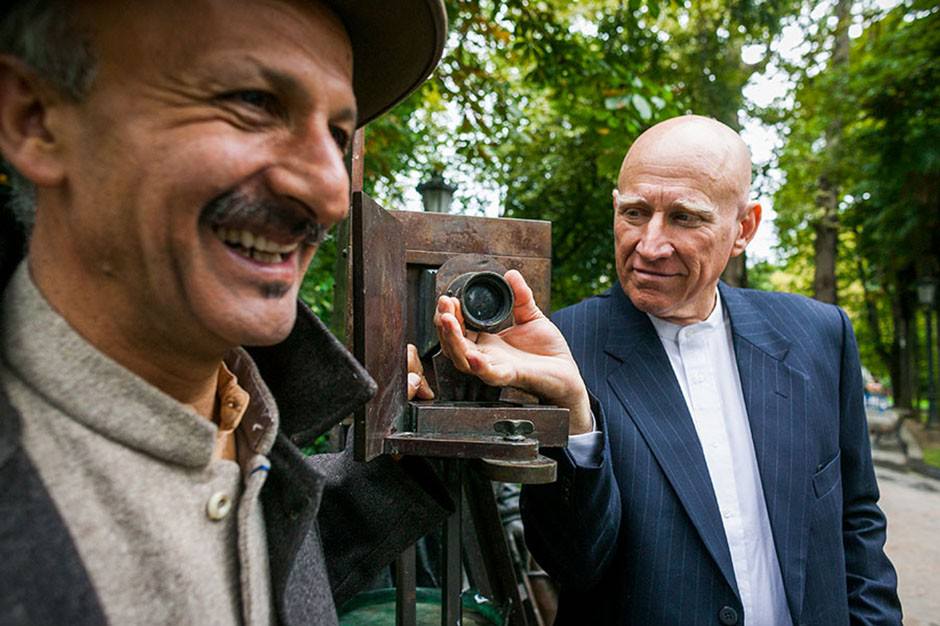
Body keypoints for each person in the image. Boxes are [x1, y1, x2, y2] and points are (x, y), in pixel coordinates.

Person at [0, 1, 449, 624]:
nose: (328, 191)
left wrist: (427, 441)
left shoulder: (249, 429)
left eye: (338, 136)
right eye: (254, 101)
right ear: (36, 119)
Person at [435, 116, 901, 624]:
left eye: (684, 218)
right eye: (635, 212)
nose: (650, 245)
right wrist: (574, 412)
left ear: (743, 227)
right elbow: (574, 564)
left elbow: (857, 522)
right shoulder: (558, 349)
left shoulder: (819, 335)